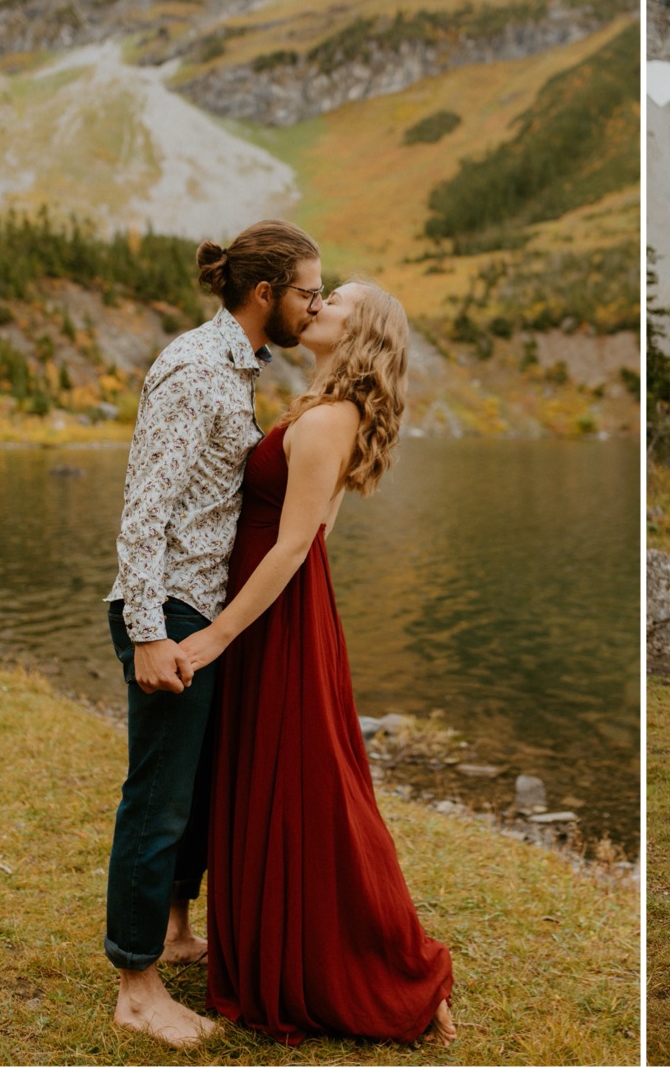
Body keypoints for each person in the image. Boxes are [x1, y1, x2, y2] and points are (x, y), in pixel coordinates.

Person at [177, 280, 456, 1047]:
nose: (317, 304)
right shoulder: (324, 409)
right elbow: (309, 532)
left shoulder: (332, 417)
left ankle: (386, 966)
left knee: (312, 786)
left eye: (334, 300)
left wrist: (218, 636)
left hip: (275, 619)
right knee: (289, 778)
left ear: (358, 330)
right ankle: (282, 943)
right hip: (286, 616)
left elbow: (297, 544)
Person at [103, 220, 322, 1047]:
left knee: (187, 794)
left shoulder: (238, 367)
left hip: (197, 603)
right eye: (308, 289)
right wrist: (151, 631)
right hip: (171, 610)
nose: (316, 303)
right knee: (156, 799)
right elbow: (144, 511)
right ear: (265, 293)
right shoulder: (197, 368)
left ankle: (172, 931)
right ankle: (136, 985)